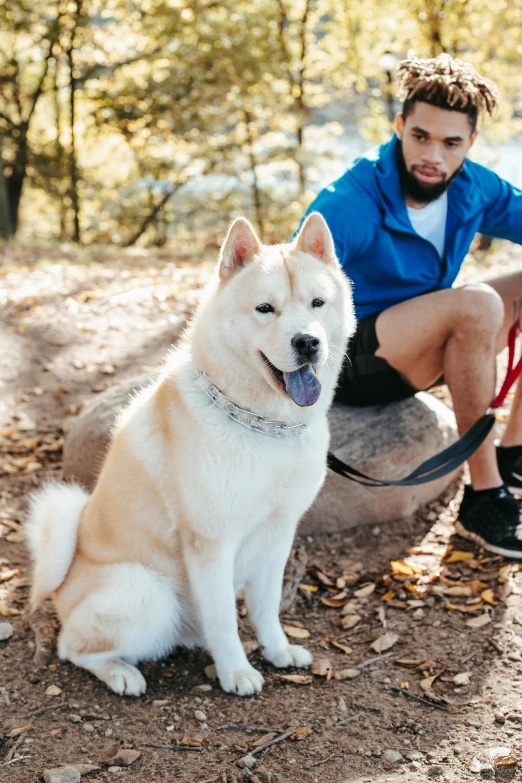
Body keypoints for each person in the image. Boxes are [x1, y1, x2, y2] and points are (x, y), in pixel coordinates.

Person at [304, 52, 522, 557]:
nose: (433, 156)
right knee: (478, 306)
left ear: (470, 143)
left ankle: (513, 453)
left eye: (451, 143)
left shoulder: (473, 187)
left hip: (420, 341)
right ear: (400, 126)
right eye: (420, 136)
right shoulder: (350, 202)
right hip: (352, 359)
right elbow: (288, 285)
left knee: (482, 303)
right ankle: (484, 495)